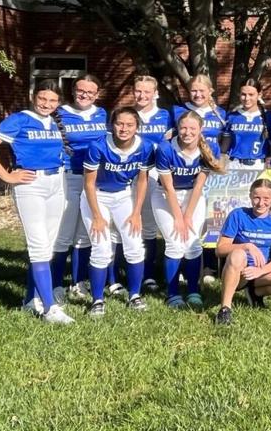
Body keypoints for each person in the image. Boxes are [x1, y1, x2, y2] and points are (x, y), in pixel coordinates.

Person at [0, 80, 76, 324]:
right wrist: (7, 176)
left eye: (52, 100)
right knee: (38, 245)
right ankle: (50, 308)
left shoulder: (54, 122)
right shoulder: (19, 119)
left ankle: (31, 301)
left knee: (48, 247)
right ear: (33, 96)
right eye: (43, 98)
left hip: (57, 183)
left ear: (58, 102)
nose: (46, 104)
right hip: (30, 185)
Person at [80, 106, 155, 316]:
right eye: (119, 123)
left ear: (137, 127)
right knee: (101, 247)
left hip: (124, 195)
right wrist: (97, 216)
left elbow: (142, 180)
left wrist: (137, 212)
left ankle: (134, 295)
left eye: (129, 124)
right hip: (96, 196)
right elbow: (88, 184)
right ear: (112, 124)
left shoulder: (145, 147)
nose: (124, 128)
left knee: (134, 245)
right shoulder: (98, 146)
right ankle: (97, 300)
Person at [151, 110, 224, 310]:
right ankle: (172, 293)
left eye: (192, 128)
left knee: (193, 244)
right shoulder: (166, 149)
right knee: (175, 242)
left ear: (201, 130)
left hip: (193, 195)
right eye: (183, 127)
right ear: (177, 128)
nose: (187, 132)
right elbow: (167, 187)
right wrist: (179, 218)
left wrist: (188, 216)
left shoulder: (210, 147)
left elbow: (199, 185)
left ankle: (193, 290)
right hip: (166, 195)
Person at [50, 73, 108, 302]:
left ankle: (78, 282)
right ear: (73, 91)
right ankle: (55, 285)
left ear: (97, 94)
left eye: (90, 92)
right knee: (64, 234)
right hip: (70, 176)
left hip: (95, 180)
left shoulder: (102, 114)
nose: (84, 95)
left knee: (85, 235)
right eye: (80, 90)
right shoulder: (59, 114)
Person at [214, 178, 271, 325]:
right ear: (250, 196)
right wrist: (247, 246)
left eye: (266, 198)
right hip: (239, 272)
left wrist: (260, 271)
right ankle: (225, 309)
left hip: (260, 272)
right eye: (256, 197)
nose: (260, 203)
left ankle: (254, 292)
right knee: (238, 254)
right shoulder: (238, 215)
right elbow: (220, 250)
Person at [132, 74, 172, 292]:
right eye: (138, 90)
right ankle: (123, 273)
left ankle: (148, 274)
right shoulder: (127, 115)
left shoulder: (166, 116)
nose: (142, 95)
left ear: (155, 93)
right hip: (131, 174)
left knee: (150, 226)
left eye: (147, 91)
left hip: (157, 173)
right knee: (128, 224)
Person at [222, 80, 270, 169]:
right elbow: (226, 143)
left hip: (258, 165)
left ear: (259, 95)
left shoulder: (268, 117)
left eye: (251, 94)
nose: (247, 98)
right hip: (234, 164)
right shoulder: (232, 116)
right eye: (243, 94)